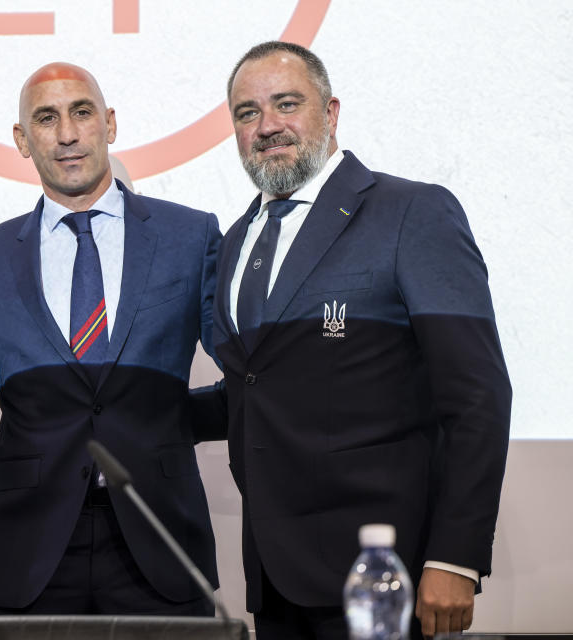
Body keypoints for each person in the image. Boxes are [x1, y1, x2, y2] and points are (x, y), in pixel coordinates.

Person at [207, 41, 511, 639]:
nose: (267, 127)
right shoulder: (237, 241)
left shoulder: (411, 213)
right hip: (274, 579)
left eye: (286, 104)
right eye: (247, 113)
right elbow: (258, 391)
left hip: (383, 577)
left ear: (331, 112)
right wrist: (134, 412)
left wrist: (454, 557)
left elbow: (477, 395)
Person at [0, 62, 221, 615]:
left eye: (82, 112)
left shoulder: (190, 236)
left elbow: (248, 372)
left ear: (110, 123)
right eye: (46, 118)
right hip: (30, 546)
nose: (68, 134)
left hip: (162, 533)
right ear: (21, 140)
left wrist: (174, 420)